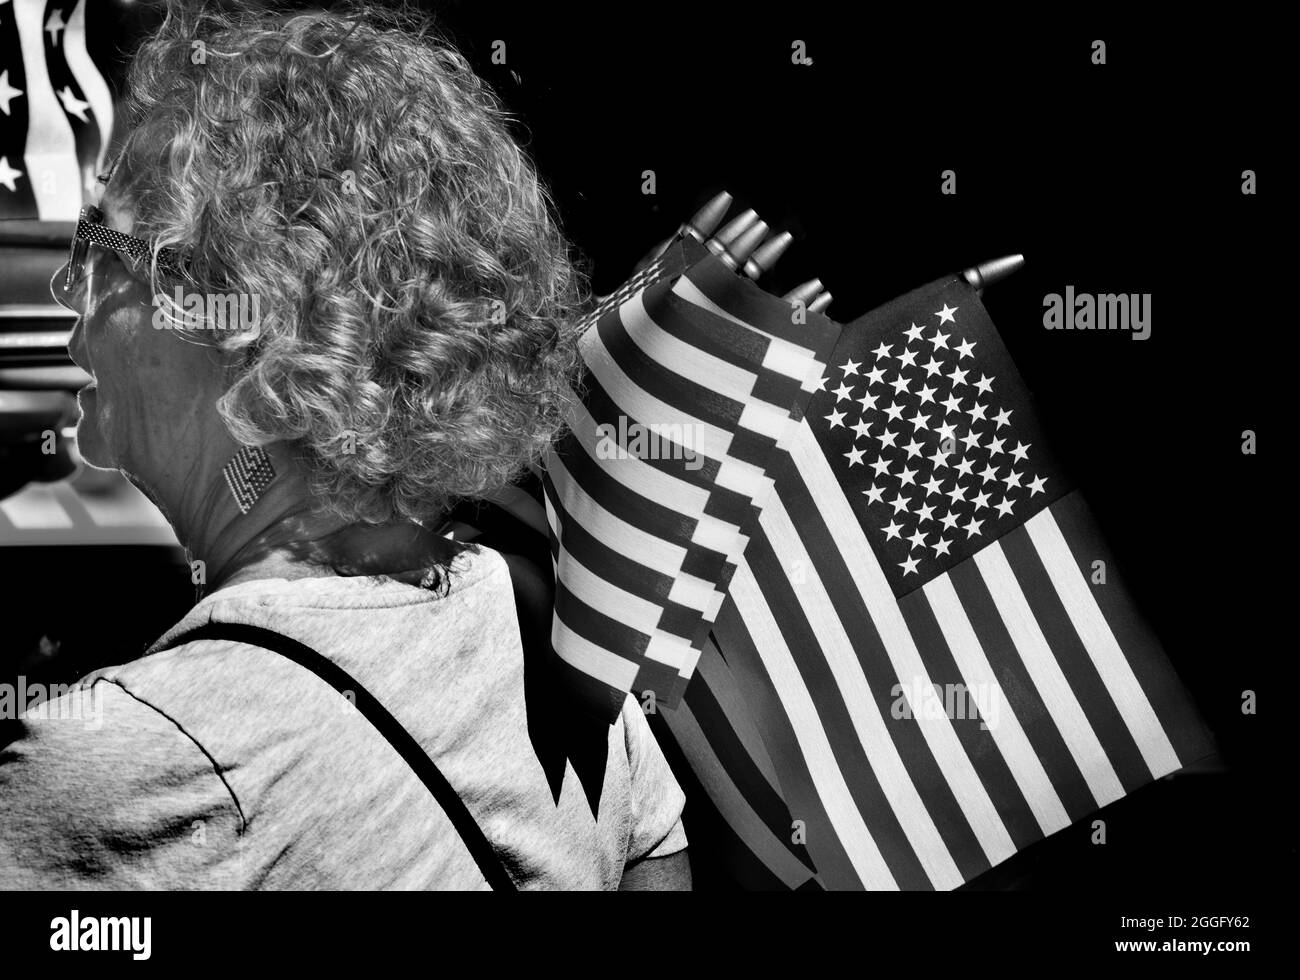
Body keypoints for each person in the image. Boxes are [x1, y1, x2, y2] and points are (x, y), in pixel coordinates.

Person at [0, 0, 689, 890]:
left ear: (259, 332)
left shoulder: (134, 765)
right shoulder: (554, 632)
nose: (65, 282)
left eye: (104, 245)